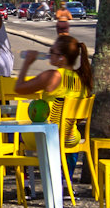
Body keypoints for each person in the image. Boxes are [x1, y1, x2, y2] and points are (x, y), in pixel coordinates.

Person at [15, 33, 94, 183]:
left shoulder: (53, 76)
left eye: (53, 52)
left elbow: (19, 88)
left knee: (16, 137)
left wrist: (27, 63)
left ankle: (25, 183)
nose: (49, 54)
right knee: (67, 136)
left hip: (48, 135)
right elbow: (81, 116)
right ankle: (66, 181)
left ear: (62, 58)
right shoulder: (82, 79)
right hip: (71, 137)